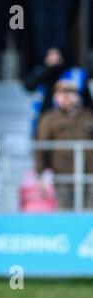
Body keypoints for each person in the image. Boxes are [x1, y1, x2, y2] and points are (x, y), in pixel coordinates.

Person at [35, 80, 93, 209]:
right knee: (66, 214)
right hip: (63, 175)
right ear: (56, 96)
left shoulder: (87, 115)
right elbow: (41, 149)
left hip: (88, 174)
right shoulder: (49, 118)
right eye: (62, 93)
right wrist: (41, 176)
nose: (67, 97)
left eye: (71, 92)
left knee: (90, 215)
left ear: (77, 96)